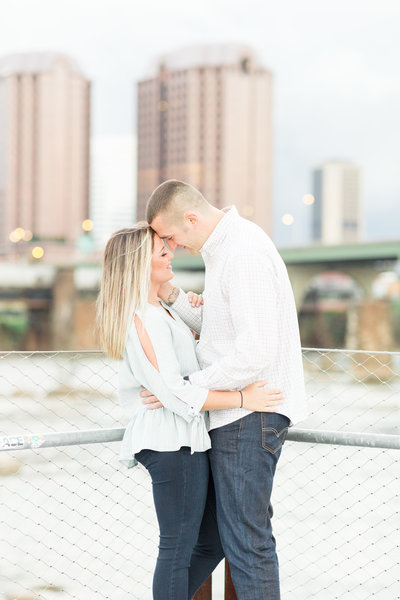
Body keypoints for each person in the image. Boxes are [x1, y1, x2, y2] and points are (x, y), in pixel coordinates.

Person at [95, 223, 284, 600]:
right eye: (160, 252)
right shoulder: (143, 318)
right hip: (169, 442)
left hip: (186, 438)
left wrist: (184, 302)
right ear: (137, 264)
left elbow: (183, 374)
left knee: (212, 540)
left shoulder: (160, 310)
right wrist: (244, 399)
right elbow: (176, 391)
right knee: (177, 549)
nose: (170, 255)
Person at [144, 181, 308, 600]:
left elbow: (254, 351)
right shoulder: (227, 252)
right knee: (226, 536)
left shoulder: (243, 254)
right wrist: (174, 297)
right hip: (239, 414)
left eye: (171, 237)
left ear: (192, 219)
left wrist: (181, 388)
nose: (172, 247)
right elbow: (220, 335)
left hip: (249, 417)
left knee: (247, 544)